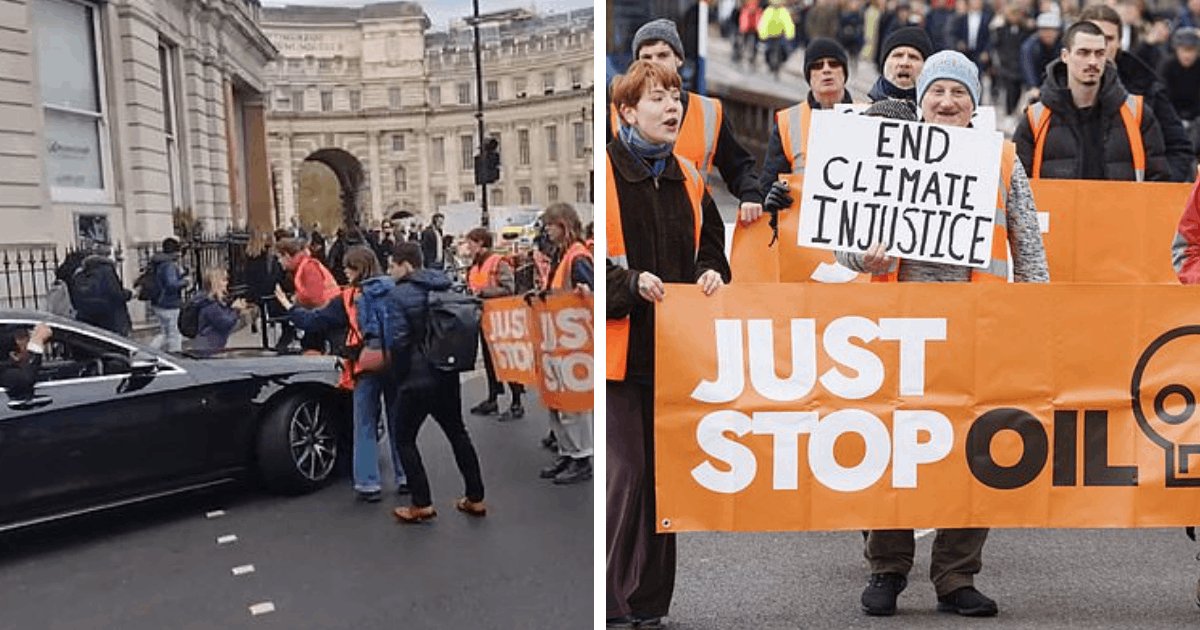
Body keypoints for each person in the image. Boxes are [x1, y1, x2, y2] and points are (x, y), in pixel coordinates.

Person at [836, 51, 1049, 618]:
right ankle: (887, 566)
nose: (948, 102)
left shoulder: (1002, 160)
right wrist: (867, 253)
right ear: (922, 101)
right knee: (890, 447)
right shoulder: (887, 155)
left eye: (959, 93)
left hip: (979, 329)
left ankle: (957, 574)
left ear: (973, 104)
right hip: (896, 330)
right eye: (938, 93)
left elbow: (1029, 247)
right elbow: (846, 245)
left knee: (975, 450)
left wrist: (1035, 317)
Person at [606, 60, 731, 629]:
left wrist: (712, 275)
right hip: (618, 357)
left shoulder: (691, 177)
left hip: (676, 359)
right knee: (628, 478)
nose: (672, 107)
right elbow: (588, 272)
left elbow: (712, 253)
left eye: (675, 95)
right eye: (657, 98)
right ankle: (610, 599)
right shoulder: (603, 173)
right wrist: (630, 284)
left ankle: (650, 601)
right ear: (627, 112)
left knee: (665, 482)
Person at [276, 246, 407, 502]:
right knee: (398, 421)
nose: (344, 272)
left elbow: (313, 320)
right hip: (395, 361)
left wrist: (289, 307)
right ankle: (405, 476)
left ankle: (369, 483)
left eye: (348, 267)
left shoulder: (348, 298)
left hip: (364, 364)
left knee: (365, 423)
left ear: (358, 269)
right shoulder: (395, 290)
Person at [608, 18, 765, 224]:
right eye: (646, 57)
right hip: (637, 227)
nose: (654, 62)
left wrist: (751, 194)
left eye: (663, 55)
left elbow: (738, 166)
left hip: (693, 230)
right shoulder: (614, 115)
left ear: (679, 59)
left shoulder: (710, 112)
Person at [387, 242, 486, 523]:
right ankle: (475, 497)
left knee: (404, 438)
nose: (390, 271)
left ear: (406, 265)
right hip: (446, 369)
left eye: (393, 265)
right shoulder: (444, 286)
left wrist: (399, 376)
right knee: (457, 432)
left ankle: (422, 502)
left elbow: (398, 341)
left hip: (416, 377)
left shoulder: (398, 295)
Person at [1014, 20, 1169, 181]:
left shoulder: (1136, 114)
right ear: (1065, 56)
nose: (1092, 62)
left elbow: (1158, 180)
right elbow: (1017, 187)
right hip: (1055, 206)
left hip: (1122, 206)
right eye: (1083, 53)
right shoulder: (1036, 118)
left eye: (1099, 53)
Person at [1079, 3, 1195, 182]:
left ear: (1119, 43)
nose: (1099, 46)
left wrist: (1157, 192)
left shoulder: (1148, 88)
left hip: (1132, 202)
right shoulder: (1052, 95)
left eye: (1108, 39)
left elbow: (1178, 147)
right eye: (1092, 37)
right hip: (1069, 203)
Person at [537, 202, 594, 486]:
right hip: (558, 338)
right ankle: (568, 451)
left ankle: (581, 455)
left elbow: (592, 293)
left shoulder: (577, 257)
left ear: (564, 225)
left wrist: (586, 293)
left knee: (572, 404)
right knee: (558, 401)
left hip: (571, 341)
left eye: (550, 224)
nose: (546, 230)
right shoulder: (563, 255)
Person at [758, 38, 856, 202]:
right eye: (817, 66)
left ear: (844, 72)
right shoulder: (788, 121)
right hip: (802, 223)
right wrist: (772, 197)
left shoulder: (868, 115)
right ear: (809, 76)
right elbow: (768, 182)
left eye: (833, 64)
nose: (826, 70)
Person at [464, 227, 526, 422]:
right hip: (484, 318)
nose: (468, 247)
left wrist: (483, 293)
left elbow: (509, 288)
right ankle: (493, 398)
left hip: (501, 319)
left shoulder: (498, 262)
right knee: (490, 362)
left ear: (481, 243)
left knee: (506, 361)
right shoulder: (474, 266)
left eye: (471, 243)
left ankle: (516, 402)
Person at [188, 267, 252, 357]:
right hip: (208, 348)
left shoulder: (215, 301)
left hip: (214, 345)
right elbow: (225, 322)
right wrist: (236, 309)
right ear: (216, 283)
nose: (227, 283)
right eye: (224, 280)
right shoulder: (209, 304)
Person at [70, 250, 132, 336]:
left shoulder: (79, 274)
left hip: (87, 319)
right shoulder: (107, 271)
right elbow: (115, 294)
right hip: (110, 319)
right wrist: (128, 294)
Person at [867, 26, 933, 102]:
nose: (904, 63)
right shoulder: (859, 111)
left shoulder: (938, 111)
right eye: (898, 55)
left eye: (913, 57)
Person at [1161, 28, 1200, 150]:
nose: (1187, 55)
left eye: (1191, 50)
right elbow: (1162, 95)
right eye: (1184, 50)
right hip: (1171, 117)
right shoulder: (1166, 67)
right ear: (1176, 50)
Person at [147, 238, 189, 351]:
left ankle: (149, 352)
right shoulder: (169, 265)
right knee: (174, 334)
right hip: (170, 304)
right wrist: (185, 282)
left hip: (158, 303)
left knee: (164, 333)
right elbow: (171, 284)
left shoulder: (158, 262)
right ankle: (175, 355)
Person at [993, 4, 1034, 115]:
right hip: (1007, 66)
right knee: (1009, 92)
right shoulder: (1001, 30)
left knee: (1020, 92)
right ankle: (1009, 113)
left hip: (1021, 66)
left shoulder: (1026, 30)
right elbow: (997, 46)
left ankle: (1015, 113)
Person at [0, 323, 51, 401]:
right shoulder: (4, 370)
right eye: (27, 338)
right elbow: (26, 379)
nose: (29, 341)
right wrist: (37, 342)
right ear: (14, 355)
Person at [1020, 12, 1063, 101]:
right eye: (1044, 30)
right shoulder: (1030, 46)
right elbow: (1028, 67)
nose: (1048, 34)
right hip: (1038, 84)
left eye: (1052, 30)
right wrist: (1033, 86)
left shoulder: (1063, 45)